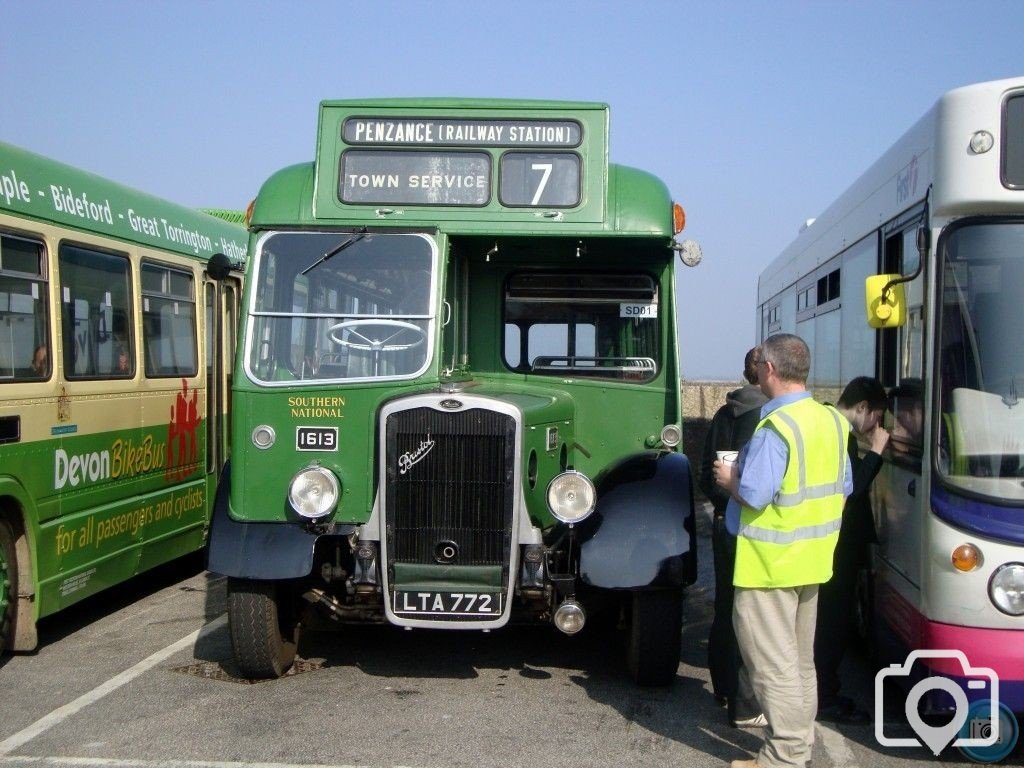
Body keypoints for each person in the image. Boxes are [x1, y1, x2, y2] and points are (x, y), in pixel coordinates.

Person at [714, 333, 852, 768]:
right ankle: (799, 745)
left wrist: (727, 478)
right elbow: (843, 488)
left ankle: (784, 756)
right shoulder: (832, 421)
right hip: (812, 560)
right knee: (799, 665)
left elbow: (754, 494)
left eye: (758, 367)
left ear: (768, 370)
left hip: (768, 567)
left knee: (772, 668)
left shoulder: (777, 427)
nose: (756, 373)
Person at [699, 348, 768, 727]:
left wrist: (723, 504)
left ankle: (723, 686)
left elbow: (709, 475)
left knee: (725, 607)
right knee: (753, 614)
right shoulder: (767, 417)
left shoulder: (725, 414)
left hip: (724, 522)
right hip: (752, 526)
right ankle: (745, 701)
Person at [815, 377, 890, 724]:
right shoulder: (838, 432)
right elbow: (852, 491)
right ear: (862, 408)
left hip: (830, 545)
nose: (875, 425)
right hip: (837, 548)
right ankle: (824, 696)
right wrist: (876, 451)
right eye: (875, 417)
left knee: (829, 624)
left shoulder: (828, 423)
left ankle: (824, 691)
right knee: (832, 624)